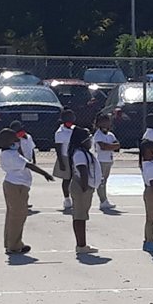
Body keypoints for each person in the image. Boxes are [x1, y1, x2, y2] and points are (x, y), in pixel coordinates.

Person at [0, 128, 54, 255]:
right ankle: (14, 245)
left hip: (14, 185)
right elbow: (29, 165)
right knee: (18, 216)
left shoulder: (9, 153)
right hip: (16, 187)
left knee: (12, 216)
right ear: (7, 142)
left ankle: (11, 242)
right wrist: (45, 173)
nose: (17, 141)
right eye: (14, 139)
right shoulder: (11, 155)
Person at [68, 126, 102, 254]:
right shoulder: (79, 154)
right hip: (81, 187)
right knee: (80, 217)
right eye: (88, 139)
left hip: (86, 186)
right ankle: (81, 245)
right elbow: (82, 171)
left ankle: (82, 244)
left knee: (82, 216)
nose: (90, 141)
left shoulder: (84, 152)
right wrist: (84, 187)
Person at [92, 113, 120, 210]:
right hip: (101, 160)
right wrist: (110, 146)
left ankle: (104, 199)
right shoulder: (98, 135)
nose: (106, 124)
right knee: (101, 181)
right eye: (104, 122)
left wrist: (110, 146)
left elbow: (117, 145)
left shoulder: (110, 135)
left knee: (105, 180)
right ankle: (103, 200)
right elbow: (103, 147)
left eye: (107, 121)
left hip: (108, 160)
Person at [53, 108, 76, 211]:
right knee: (66, 179)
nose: (70, 120)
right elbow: (58, 148)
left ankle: (76, 198)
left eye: (71, 117)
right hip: (65, 157)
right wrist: (61, 162)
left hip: (75, 156)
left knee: (76, 179)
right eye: (67, 118)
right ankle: (67, 199)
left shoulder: (75, 129)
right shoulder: (59, 132)